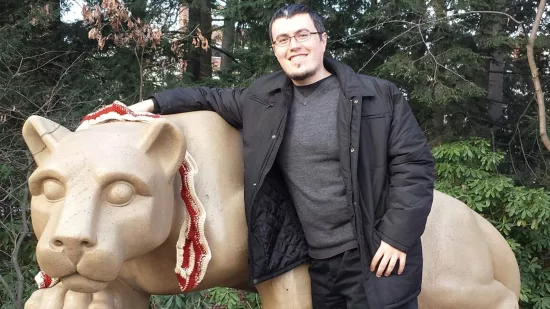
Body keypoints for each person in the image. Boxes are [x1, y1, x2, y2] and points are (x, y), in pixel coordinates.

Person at [129, 4, 435, 309]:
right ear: (275, 48)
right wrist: (151, 104)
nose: (294, 46)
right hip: (313, 265)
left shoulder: (378, 96)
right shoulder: (264, 101)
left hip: (372, 256)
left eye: (303, 35)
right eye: (283, 39)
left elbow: (414, 167)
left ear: (322, 39)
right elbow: (208, 96)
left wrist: (397, 237)